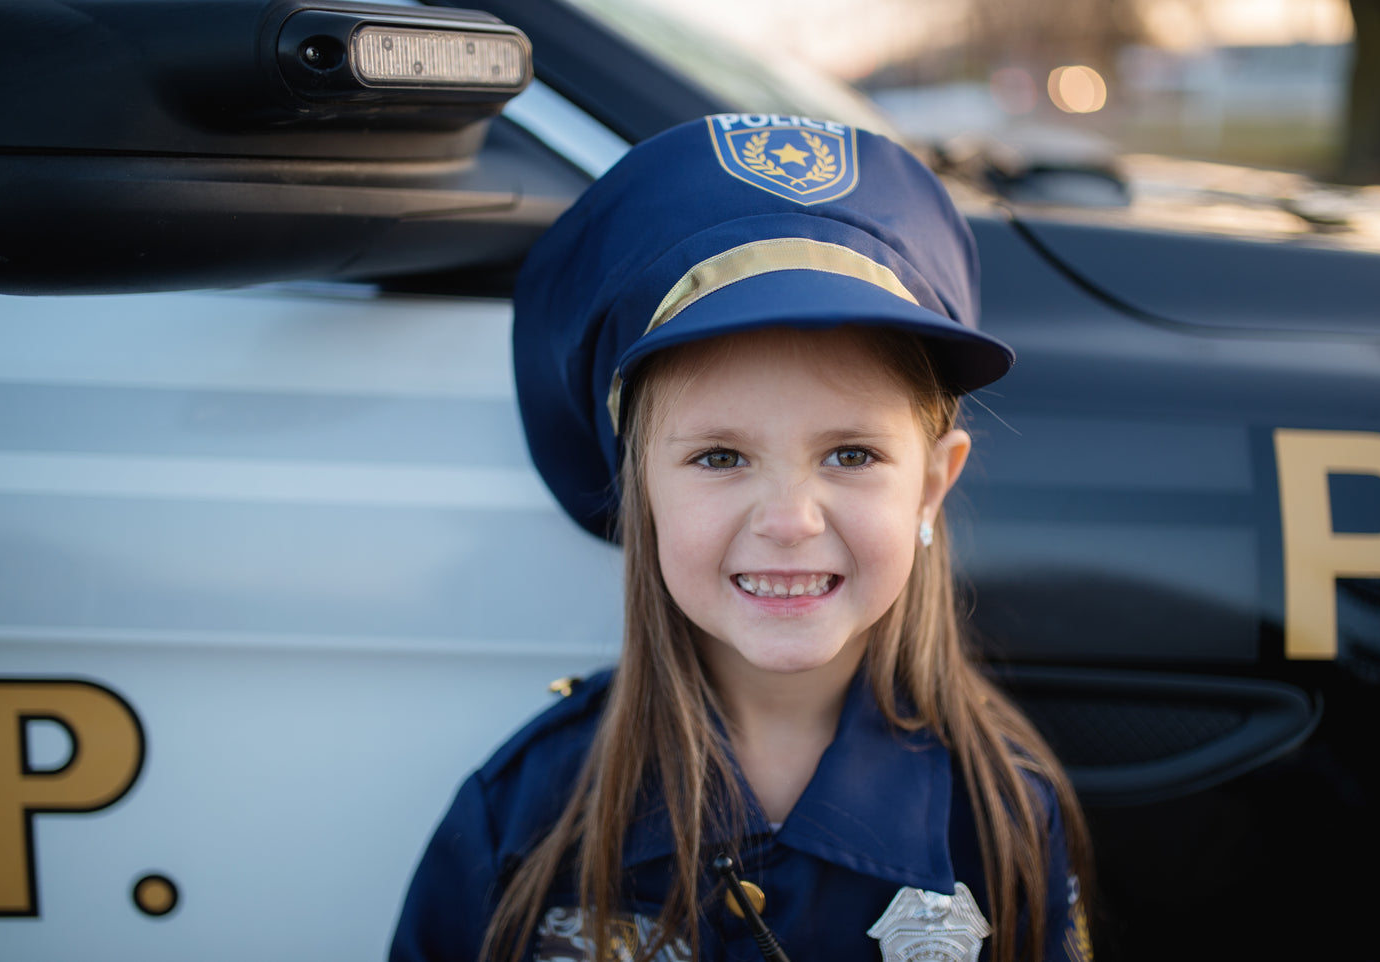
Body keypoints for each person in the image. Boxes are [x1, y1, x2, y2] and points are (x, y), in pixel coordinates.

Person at [390, 113, 1093, 962]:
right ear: (639, 491)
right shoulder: (524, 818)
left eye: (850, 453)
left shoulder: (1001, 816)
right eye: (720, 456)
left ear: (932, 484)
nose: (790, 521)